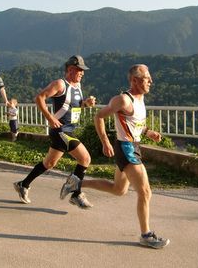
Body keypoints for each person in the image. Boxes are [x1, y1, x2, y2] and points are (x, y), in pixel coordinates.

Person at [60, 64, 170, 249]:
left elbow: (135, 122)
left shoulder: (140, 99)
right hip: (126, 149)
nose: (151, 81)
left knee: (119, 190)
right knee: (145, 192)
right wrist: (105, 141)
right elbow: (99, 117)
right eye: (146, 78)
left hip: (132, 146)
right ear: (134, 80)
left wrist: (148, 131)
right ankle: (146, 235)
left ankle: (76, 183)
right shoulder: (123, 100)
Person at [13, 55, 96, 207]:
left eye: (83, 71)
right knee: (85, 159)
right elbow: (39, 98)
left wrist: (86, 104)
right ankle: (76, 194)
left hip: (69, 130)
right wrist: (50, 118)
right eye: (80, 70)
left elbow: (72, 107)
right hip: (60, 131)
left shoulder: (77, 87)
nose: (82, 73)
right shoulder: (60, 84)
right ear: (70, 69)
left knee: (49, 163)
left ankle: (23, 184)